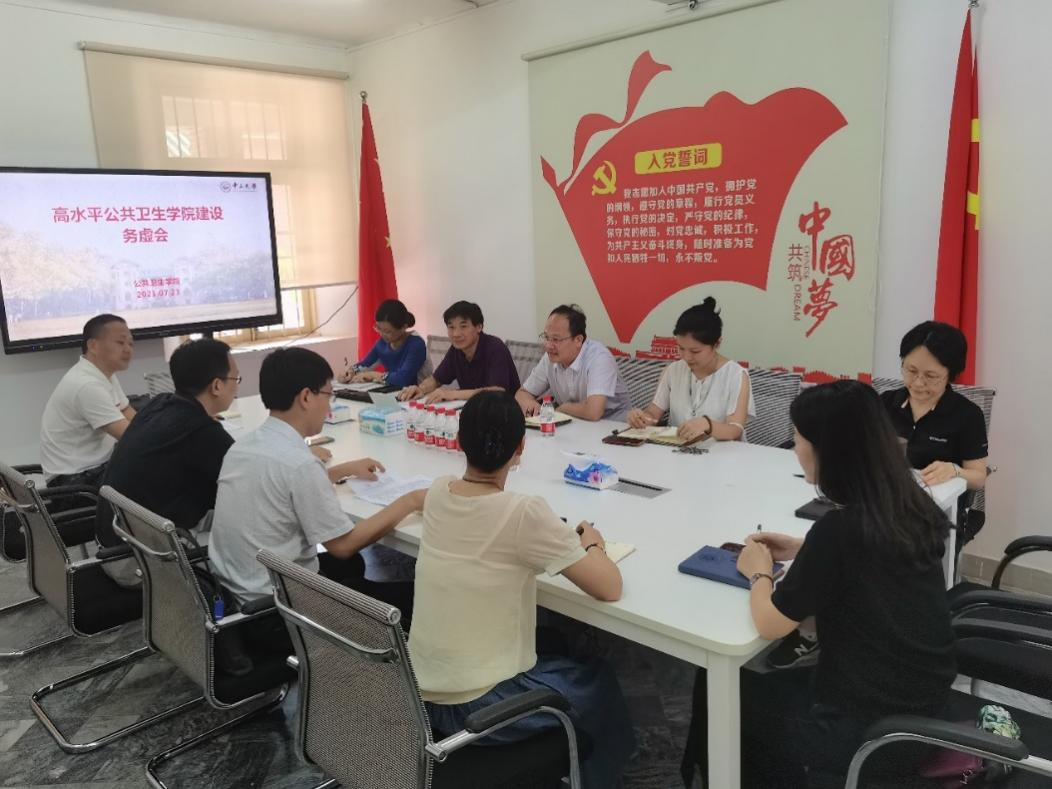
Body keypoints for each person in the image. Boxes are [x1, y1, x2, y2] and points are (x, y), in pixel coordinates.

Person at [682, 381, 957, 787]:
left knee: (721, 688)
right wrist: (803, 546)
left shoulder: (839, 531)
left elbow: (771, 624)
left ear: (828, 451)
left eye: (798, 438)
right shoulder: (908, 504)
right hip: (924, 706)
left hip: (864, 728)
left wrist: (759, 571)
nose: (794, 447)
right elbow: (868, 555)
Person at [408, 392, 635, 788]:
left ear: (458, 442)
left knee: (555, 644)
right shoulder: (524, 512)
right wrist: (592, 544)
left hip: (416, 696)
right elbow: (609, 587)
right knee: (599, 684)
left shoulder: (439, 491)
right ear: (521, 448)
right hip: (478, 709)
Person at [209, 347, 420, 621]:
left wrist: (341, 470)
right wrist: (411, 500)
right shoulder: (300, 464)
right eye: (329, 395)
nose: (329, 406)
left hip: (233, 593)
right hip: (278, 610)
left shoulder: (244, 446)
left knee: (351, 566)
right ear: (306, 397)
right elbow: (342, 545)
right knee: (417, 597)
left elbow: (280, 484)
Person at [94, 339, 241, 568]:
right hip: (144, 561)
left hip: (113, 544)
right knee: (256, 526)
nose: (237, 387)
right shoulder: (203, 433)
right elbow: (245, 493)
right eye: (236, 379)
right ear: (216, 386)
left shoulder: (159, 404)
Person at [626, 297, 755, 441]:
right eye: (681, 348)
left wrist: (708, 425)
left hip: (722, 452)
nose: (687, 357)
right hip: (676, 449)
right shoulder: (673, 370)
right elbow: (653, 414)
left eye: (695, 351)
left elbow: (735, 430)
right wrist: (642, 418)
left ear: (717, 344)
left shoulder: (736, 375)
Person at [881, 320, 989, 491]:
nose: (918, 383)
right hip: (887, 494)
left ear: (950, 375)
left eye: (930, 376)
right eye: (911, 370)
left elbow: (978, 478)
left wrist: (955, 471)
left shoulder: (968, 415)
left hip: (937, 501)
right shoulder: (885, 402)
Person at [39, 314, 137, 487]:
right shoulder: (86, 385)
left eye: (130, 343)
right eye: (120, 342)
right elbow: (131, 435)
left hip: (93, 469)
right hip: (75, 482)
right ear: (93, 345)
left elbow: (129, 414)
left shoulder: (102, 373)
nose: (128, 349)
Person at [514, 304, 630, 422]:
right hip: (573, 423)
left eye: (556, 339)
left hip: (613, 424)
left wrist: (563, 408)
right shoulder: (550, 358)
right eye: (546, 337)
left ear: (578, 340)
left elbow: (593, 412)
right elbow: (522, 394)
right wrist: (534, 407)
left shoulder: (599, 358)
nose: (548, 346)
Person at [397, 300, 520, 403]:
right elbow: (436, 379)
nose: (456, 334)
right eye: (451, 327)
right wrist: (420, 389)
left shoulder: (495, 347)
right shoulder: (456, 350)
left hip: (503, 412)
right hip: (473, 409)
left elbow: (497, 391)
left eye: (463, 326)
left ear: (479, 327)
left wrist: (452, 394)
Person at [339, 299, 429, 387]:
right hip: (394, 391)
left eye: (387, 331)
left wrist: (374, 375)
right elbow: (365, 364)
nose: (382, 334)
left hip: (418, 393)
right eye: (379, 328)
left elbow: (403, 379)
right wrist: (350, 372)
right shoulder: (382, 343)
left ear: (403, 327)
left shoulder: (416, 344)